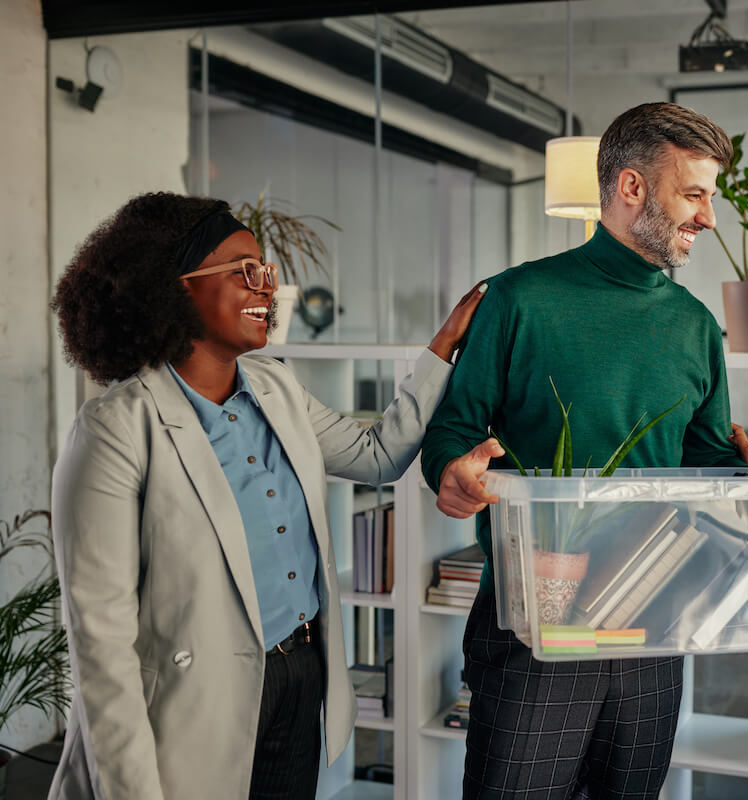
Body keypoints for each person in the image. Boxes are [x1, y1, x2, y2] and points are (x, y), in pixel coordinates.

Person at [47, 192, 485, 800]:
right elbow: (101, 645)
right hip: (194, 698)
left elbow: (377, 455)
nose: (265, 289)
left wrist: (442, 347)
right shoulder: (116, 428)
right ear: (174, 289)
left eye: (267, 272)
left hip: (300, 671)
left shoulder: (277, 386)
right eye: (244, 271)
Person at [421, 102, 748, 799]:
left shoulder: (697, 326)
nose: (709, 218)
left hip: (653, 629)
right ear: (631, 188)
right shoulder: (520, 299)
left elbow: (703, 458)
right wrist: (454, 472)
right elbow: (453, 429)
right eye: (695, 195)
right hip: (535, 630)